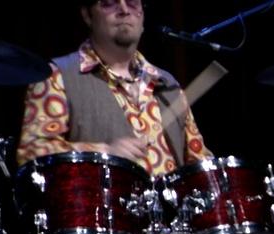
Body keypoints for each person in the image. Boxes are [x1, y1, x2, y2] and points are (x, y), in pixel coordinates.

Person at [17, 0, 209, 175]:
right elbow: (32, 153)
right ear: (87, 15)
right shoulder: (57, 76)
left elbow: (199, 158)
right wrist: (104, 152)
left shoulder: (168, 84)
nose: (124, 10)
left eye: (133, 3)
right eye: (109, 3)